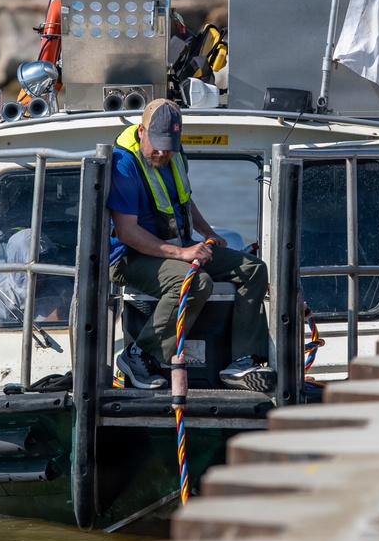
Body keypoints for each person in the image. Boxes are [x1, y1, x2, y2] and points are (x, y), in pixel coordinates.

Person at [107, 98, 275, 392]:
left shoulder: (174, 153)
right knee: (196, 282)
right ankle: (138, 355)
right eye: (157, 144)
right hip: (128, 258)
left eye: (169, 145)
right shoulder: (123, 165)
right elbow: (126, 232)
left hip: (174, 247)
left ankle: (241, 362)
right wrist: (184, 253)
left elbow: (184, 199)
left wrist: (208, 231)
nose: (162, 152)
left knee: (253, 269)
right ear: (141, 131)